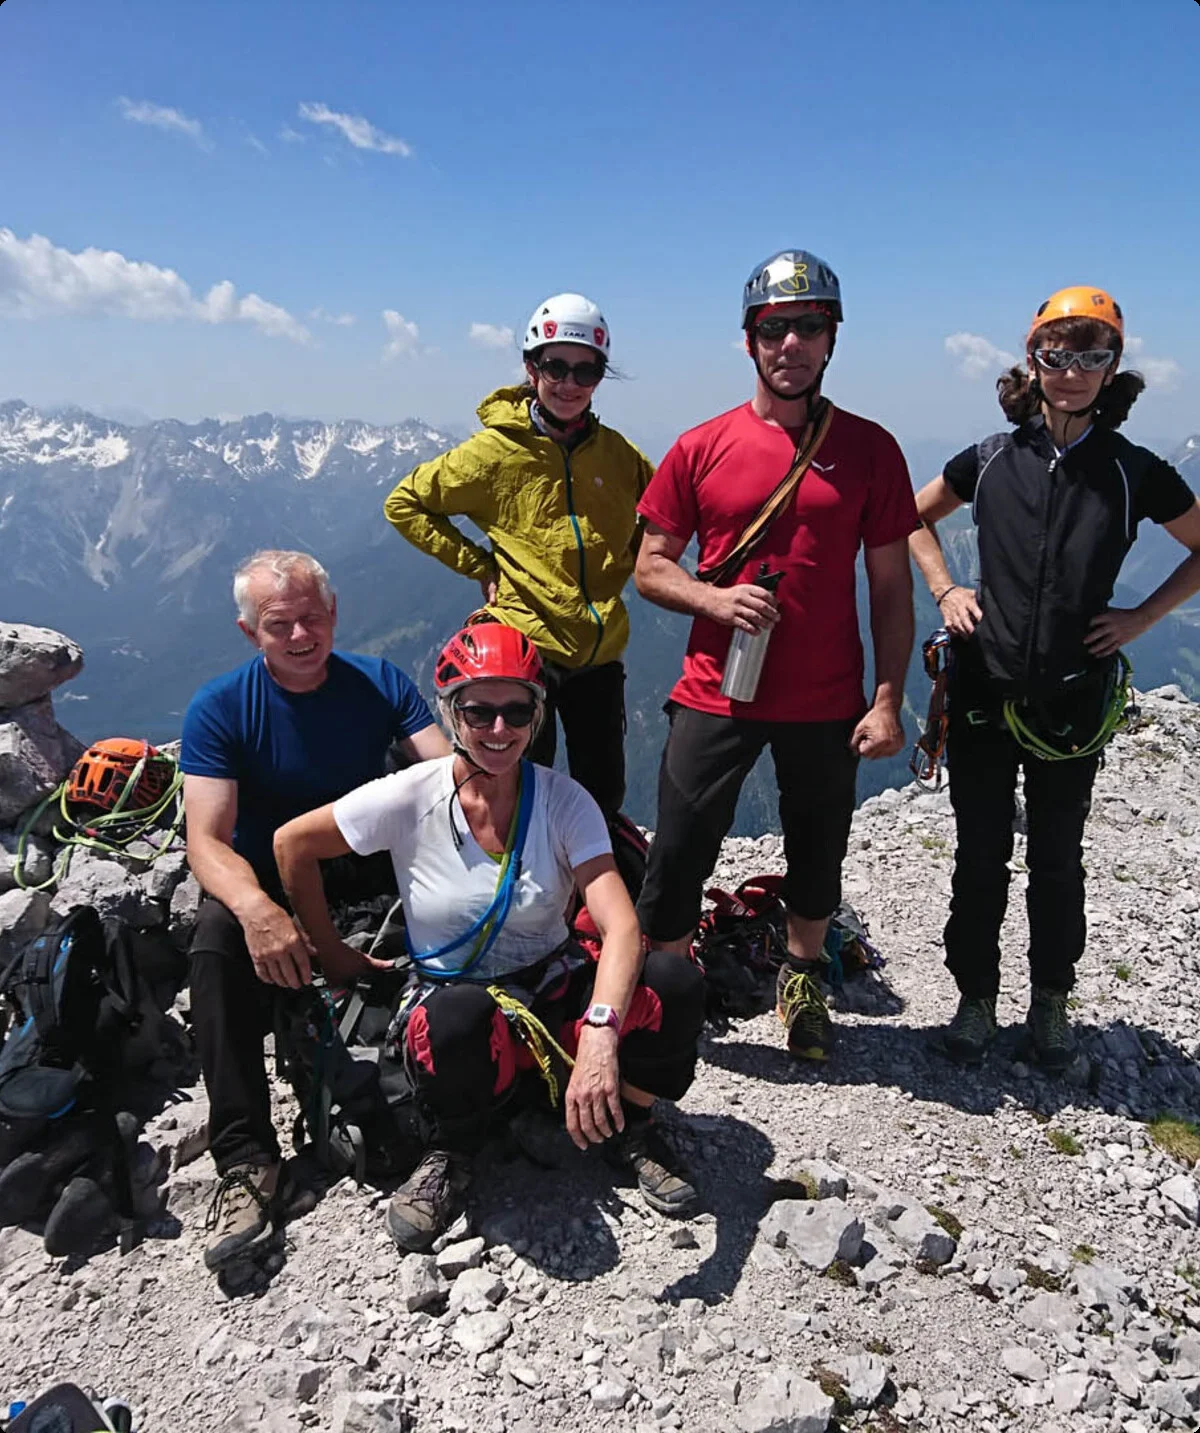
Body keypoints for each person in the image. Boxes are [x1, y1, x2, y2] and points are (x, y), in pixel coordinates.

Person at [273, 622, 707, 1252]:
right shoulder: (410, 796)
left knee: (674, 982)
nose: (499, 729)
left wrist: (601, 1031)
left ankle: (630, 1122)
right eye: (479, 711)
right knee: (455, 1018)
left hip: (551, 990)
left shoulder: (564, 801)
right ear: (451, 712)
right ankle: (455, 1146)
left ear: (537, 714)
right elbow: (292, 845)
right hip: (457, 1004)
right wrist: (333, 955)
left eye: (517, 711)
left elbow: (620, 924)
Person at [634, 250, 917, 1061]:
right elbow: (649, 566)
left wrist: (888, 697)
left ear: (831, 339)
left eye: (809, 326)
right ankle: (665, 991)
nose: (790, 343)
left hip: (827, 695)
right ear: (749, 338)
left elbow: (891, 587)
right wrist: (714, 600)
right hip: (716, 687)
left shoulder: (870, 449)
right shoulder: (701, 446)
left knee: (818, 846)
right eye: (774, 328)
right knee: (680, 845)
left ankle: (802, 979)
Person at [910, 286, 1200, 1071]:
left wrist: (1142, 617)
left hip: (1073, 695)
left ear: (1112, 368)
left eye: (1091, 356)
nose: (1072, 372)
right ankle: (976, 999)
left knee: (1057, 858)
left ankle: (1050, 1001)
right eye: (1057, 355)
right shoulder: (990, 458)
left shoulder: (1134, 471)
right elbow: (912, 516)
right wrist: (945, 588)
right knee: (979, 854)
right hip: (984, 687)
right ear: (1032, 361)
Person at [180, 550, 450, 1269]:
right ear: (250, 632)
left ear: (333, 613)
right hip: (269, 877)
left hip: (363, 867)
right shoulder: (221, 707)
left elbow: (443, 776)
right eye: (280, 624)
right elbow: (205, 841)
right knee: (215, 938)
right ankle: (246, 1159)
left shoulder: (380, 682)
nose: (300, 635)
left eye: (311, 617)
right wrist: (256, 909)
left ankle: (462, 1106)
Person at [382, 293, 652, 820]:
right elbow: (405, 504)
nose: (570, 384)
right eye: (556, 367)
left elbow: (663, 517)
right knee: (520, 789)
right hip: (526, 646)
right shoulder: (492, 453)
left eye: (586, 370)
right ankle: (515, 871)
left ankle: (588, 871)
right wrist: (480, 567)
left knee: (603, 793)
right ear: (532, 369)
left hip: (599, 653)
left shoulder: (620, 456)